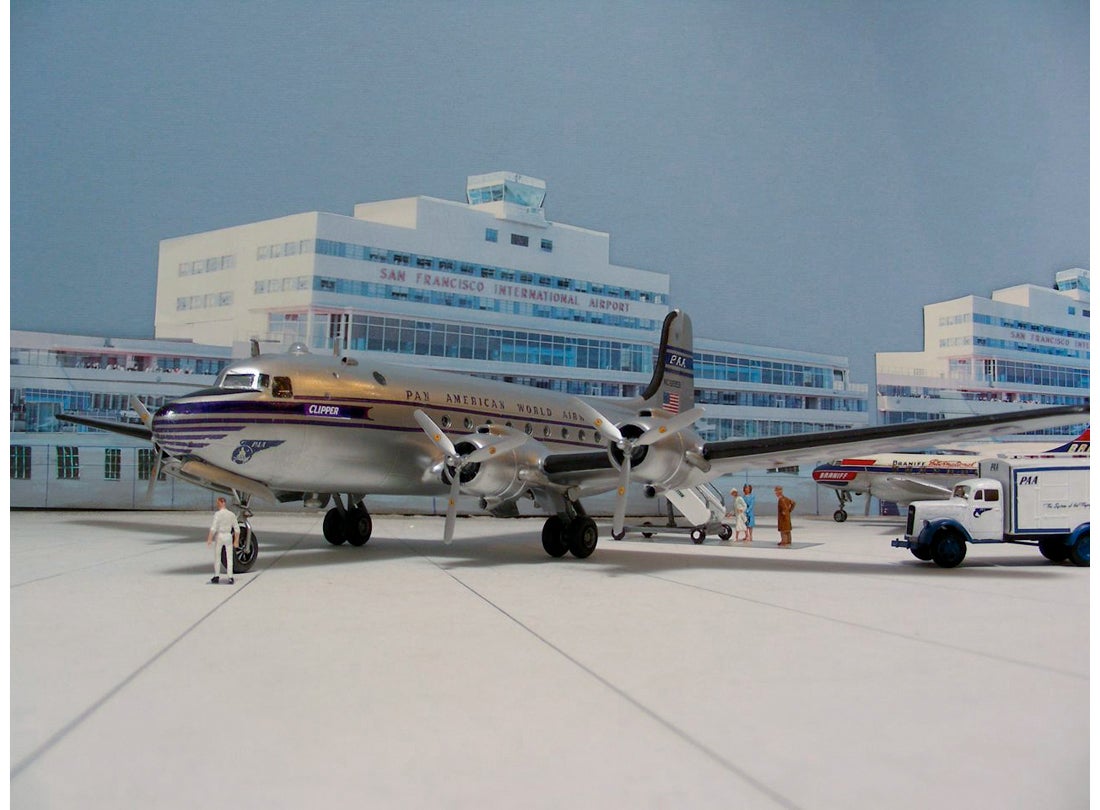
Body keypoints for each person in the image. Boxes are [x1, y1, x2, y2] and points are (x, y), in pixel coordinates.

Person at [207, 496, 239, 584]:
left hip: (220, 536)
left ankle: (216, 576)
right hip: (228, 536)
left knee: (217, 556)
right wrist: (236, 540)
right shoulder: (231, 514)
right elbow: (237, 529)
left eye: (218, 503)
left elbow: (213, 528)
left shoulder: (217, 514)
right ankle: (230, 577)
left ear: (221, 503)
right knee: (229, 557)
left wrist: (209, 538)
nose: (217, 505)